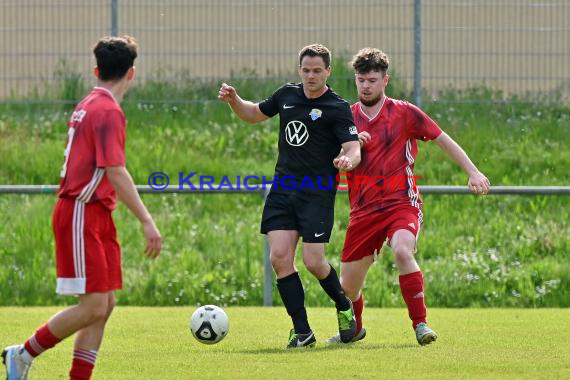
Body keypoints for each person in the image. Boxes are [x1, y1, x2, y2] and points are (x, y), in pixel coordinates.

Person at [2, 36, 161, 380]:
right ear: (131, 73)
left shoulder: (89, 102)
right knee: (92, 305)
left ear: (96, 69)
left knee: (105, 305)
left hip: (97, 212)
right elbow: (115, 170)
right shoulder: (106, 111)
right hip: (80, 211)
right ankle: (22, 353)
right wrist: (147, 221)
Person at [327, 48, 490, 345]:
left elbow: (443, 139)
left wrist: (474, 172)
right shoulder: (346, 118)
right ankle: (354, 331)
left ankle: (421, 324)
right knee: (347, 289)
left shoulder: (404, 113)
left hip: (401, 202)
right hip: (363, 211)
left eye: (372, 80)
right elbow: (339, 156)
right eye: (361, 80)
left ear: (385, 80)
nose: (366, 85)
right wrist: (346, 155)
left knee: (403, 250)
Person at [218, 44, 361, 348]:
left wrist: (348, 161)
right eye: (306, 70)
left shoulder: (337, 107)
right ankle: (302, 331)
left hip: (317, 193)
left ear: (328, 72)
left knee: (314, 261)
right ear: (299, 70)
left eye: (317, 71)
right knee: (280, 257)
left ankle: (343, 305)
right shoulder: (286, 95)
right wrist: (234, 101)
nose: (311, 76)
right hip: (283, 189)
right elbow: (254, 113)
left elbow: (353, 147)